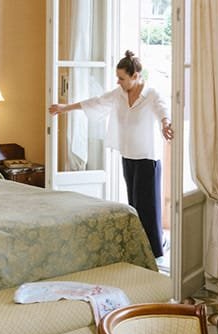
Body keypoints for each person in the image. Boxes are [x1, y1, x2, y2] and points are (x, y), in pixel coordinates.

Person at [49, 50, 174, 263]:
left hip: (147, 158)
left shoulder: (151, 94)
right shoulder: (119, 94)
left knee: (148, 206)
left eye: (122, 78)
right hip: (128, 155)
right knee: (134, 204)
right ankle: (138, 245)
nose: (118, 81)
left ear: (135, 76)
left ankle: (156, 251)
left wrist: (165, 124)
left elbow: (163, 110)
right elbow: (96, 102)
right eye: (118, 77)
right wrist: (65, 108)